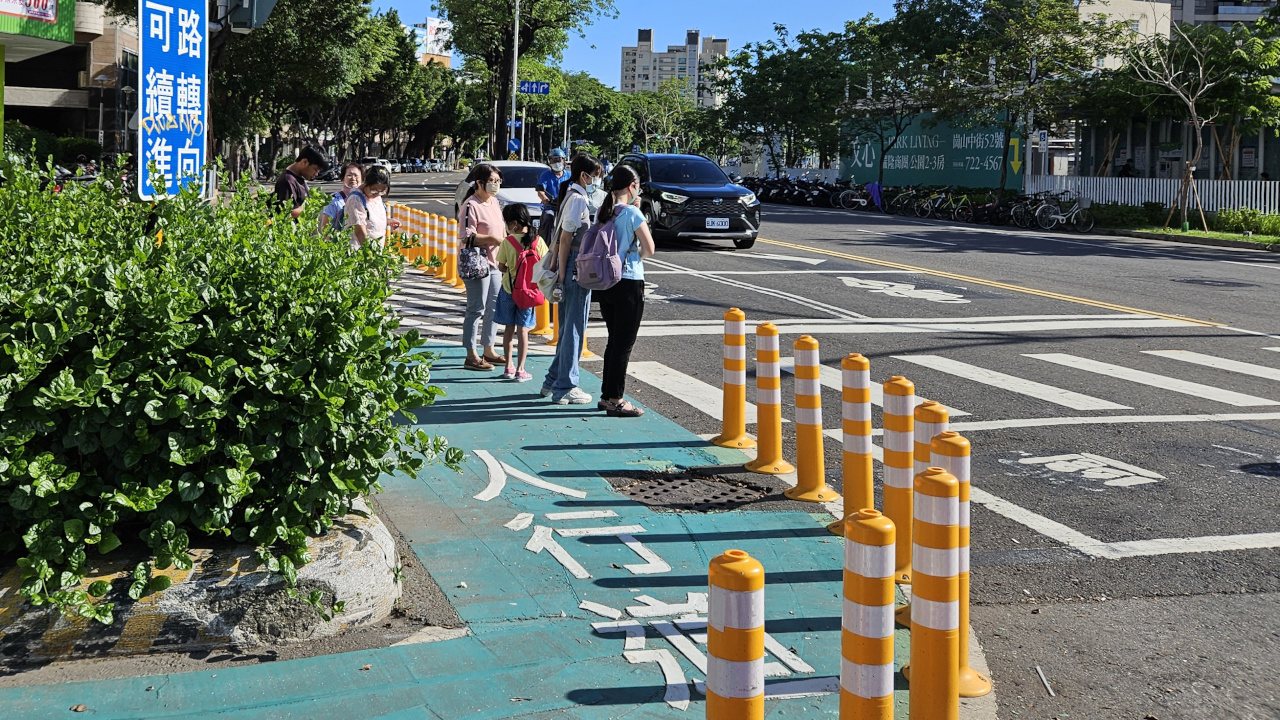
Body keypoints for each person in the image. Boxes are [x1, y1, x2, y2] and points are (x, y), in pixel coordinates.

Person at [591, 165, 655, 417]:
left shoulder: (603, 211)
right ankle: (615, 399)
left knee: (613, 341)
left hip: (606, 282)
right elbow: (649, 248)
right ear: (632, 186)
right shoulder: (632, 214)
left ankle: (607, 395)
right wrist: (633, 257)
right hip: (629, 280)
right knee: (623, 344)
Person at [542, 153, 605, 404]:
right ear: (584, 175)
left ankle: (553, 380)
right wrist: (562, 270)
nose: (597, 182)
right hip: (576, 267)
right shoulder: (579, 200)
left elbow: (562, 238)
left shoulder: (569, 195)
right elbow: (566, 238)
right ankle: (566, 385)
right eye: (596, 177)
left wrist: (559, 268)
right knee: (574, 328)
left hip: (568, 267)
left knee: (568, 327)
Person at [458, 163, 508, 371]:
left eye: (498, 181)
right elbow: (466, 236)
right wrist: (492, 238)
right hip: (478, 264)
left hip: (495, 262)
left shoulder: (494, 202)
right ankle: (471, 354)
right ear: (479, 183)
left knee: (494, 307)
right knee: (476, 308)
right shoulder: (471, 205)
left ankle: (489, 348)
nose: (495, 185)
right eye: (491, 181)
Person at [495, 203, 548, 382]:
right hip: (528, 292)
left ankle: (508, 367)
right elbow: (545, 264)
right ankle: (520, 369)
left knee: (508, 330)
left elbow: (501, 266)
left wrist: (511, 268)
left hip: (509, 290)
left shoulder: (507, 242)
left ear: (514, 223)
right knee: (523, 330)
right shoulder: (537, 241)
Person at [343, 164, 400, 250]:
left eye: (382, 192)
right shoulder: (356, 200)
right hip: (360, 252)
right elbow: (360, 232)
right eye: (373, 190)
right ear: (365, 181)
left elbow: (369, 217)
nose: (376, 194)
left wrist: (387, 221)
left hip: (376, 248)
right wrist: (370, 255)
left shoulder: (376, 195)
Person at [274, 146, 330, 220]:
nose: (316, 174)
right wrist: (311, 206)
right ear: (304, 162)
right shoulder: (288, 181)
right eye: (315, 169)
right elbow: (286, 212)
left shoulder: (299, 177)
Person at [318, 162, 363, 237]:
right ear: (343, 178)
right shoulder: (334, 200)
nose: (353, 178)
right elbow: (325, 229)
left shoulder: (366, 199)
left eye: (356, 175)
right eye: (349, 175)